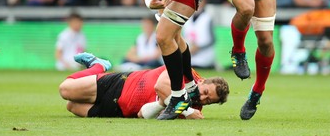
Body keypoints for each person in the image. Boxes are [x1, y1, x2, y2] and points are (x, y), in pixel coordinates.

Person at [59, 52, 229, 119]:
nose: (203, 98)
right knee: (65, 89)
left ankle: (97, 68)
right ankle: (98, 66)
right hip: (121, 85)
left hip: (121, 112)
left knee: (71, 106)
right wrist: (188, 111)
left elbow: (143, 114)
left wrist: (164, 103)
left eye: (208, 100)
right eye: (206, 92)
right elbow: (160, 85)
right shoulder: (187, 73)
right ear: (201, 81)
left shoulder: (193, 108)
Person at [183, 0, 216, 69]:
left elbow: (212, 39)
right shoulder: (187, 18)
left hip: (204, 58)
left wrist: (198, 47)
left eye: (200, 1)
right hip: (190, 56)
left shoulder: (208, 18)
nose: (198, 4)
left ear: (205, 2)